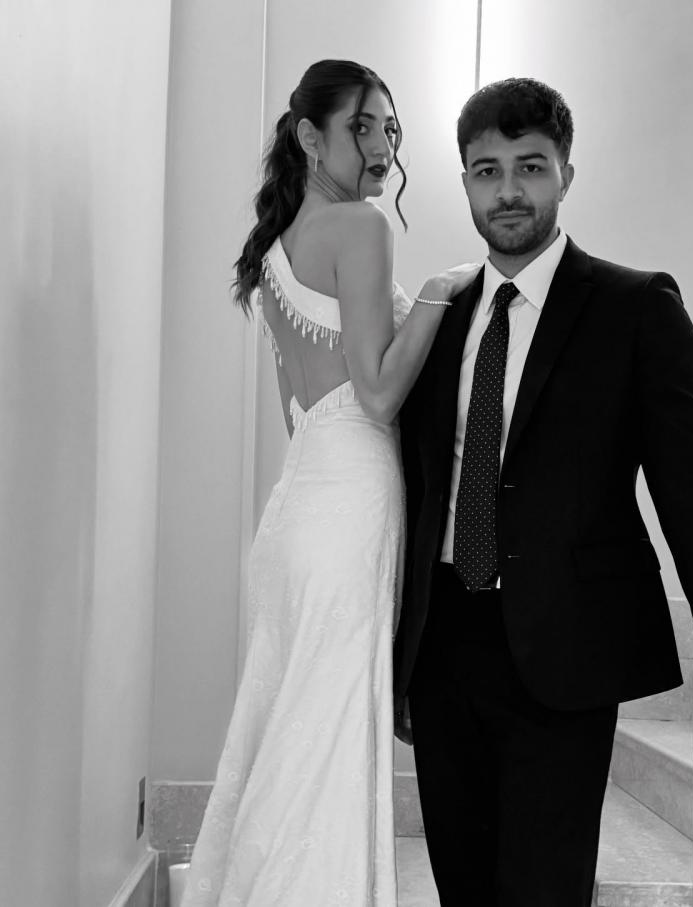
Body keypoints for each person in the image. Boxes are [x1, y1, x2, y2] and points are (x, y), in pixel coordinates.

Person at [393, 77, 693, 907]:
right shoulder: (441, 315)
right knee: (461, 886)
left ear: (566, 172)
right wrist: (393, 652)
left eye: (530, 166)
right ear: (465, 182)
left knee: (545, 891)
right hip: (443, 650)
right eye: (487, 171)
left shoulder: (635, 307)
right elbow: (411, 488)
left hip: (564, 651)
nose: (508, 190)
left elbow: (691, 483)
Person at [180, 59, 477, 907]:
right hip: (348, 511)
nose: (383, 145)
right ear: (311, 137)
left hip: (299, 510)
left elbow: (300, 411)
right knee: (329, 738)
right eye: (362, 126)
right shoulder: (361, 227)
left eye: (390, 127)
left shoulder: (273, 252)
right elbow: (377, 396)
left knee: (290, 729)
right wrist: (437, 293)